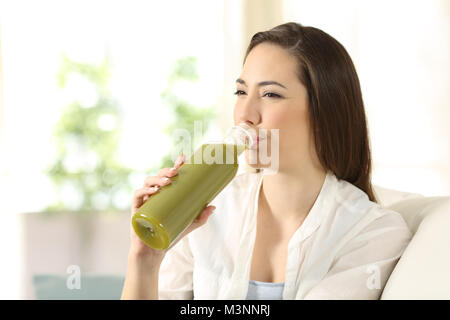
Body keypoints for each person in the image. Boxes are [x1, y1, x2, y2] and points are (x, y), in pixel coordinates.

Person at [121, 22, 412, 300]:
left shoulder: (372, 232)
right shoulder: (209, 211)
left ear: (325, 113)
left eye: (270, 94)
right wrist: (146, 257)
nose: (245, 114)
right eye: (241, 92)